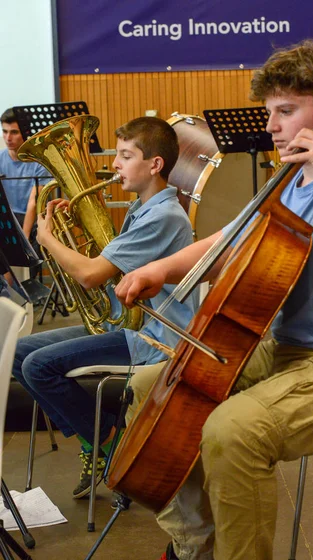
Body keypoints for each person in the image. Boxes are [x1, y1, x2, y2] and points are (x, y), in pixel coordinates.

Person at [113, 40, 313, 560]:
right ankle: (195, 557)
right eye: (270, 111)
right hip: (286, 351)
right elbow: (226, 239)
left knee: (232, 428)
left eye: (285, 110)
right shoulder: (287, 182)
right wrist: (159, 268)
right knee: (153, 386)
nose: (270, 125)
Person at [12, 116, 199, 499]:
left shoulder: (163, 215)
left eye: (125, 155)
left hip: (153, 336)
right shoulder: (142, 208)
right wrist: (73, 220)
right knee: (16, 352)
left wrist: (48, 239)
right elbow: (111, 266)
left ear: (155, 165)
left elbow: (91, 275)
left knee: (37, 366)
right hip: (123, 326)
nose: (114, 164)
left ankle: (107, 440)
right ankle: (94, 435)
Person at [0, 108, 49, 239]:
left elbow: (33, 203)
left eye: (14, 132)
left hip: (32, 220)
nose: (8, 138)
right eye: (5, 131)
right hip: (8, 219)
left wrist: (24, 238)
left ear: (26, 132)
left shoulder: (39, 161)